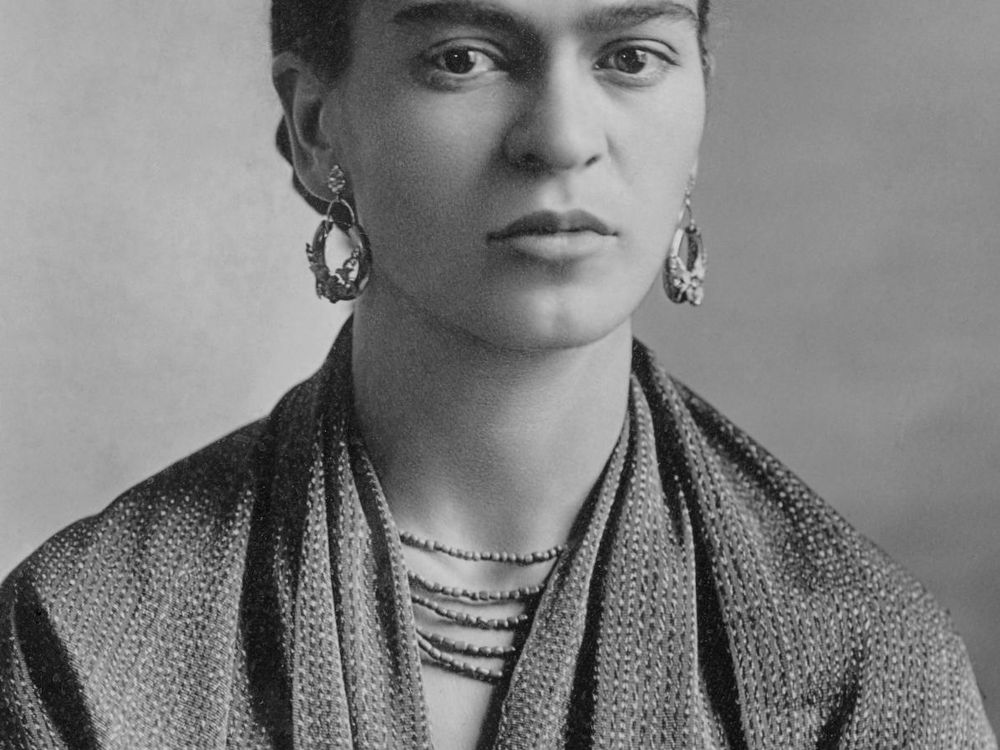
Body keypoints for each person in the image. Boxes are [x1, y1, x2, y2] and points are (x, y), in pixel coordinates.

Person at [0, 0, 995, 747]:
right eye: (462, 59)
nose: (561, 138)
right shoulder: (93, 638)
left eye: (629, 58)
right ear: (315, 131)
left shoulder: (858, 657)